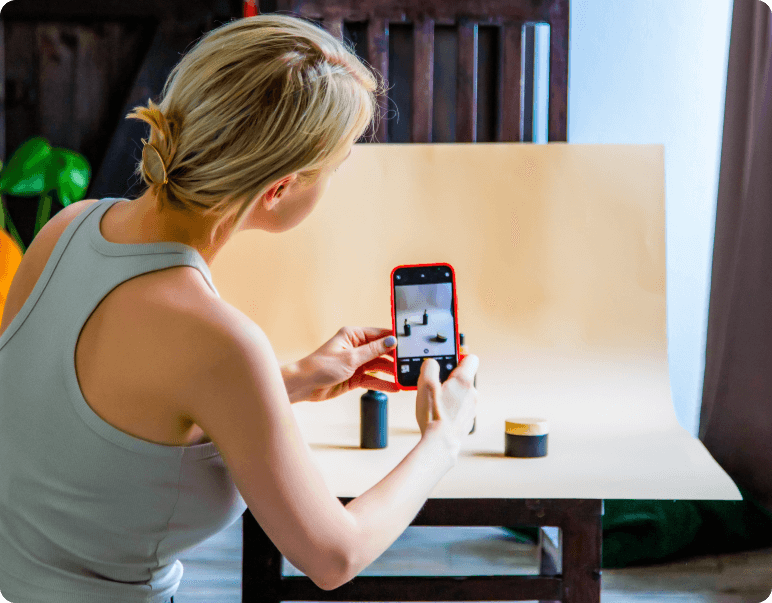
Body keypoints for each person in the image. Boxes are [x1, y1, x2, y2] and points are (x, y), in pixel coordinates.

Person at [0, 14, 479, 602]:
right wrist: (444, 436)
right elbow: (335, 555)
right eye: (337, 166)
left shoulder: (66, 229)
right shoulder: (220, 341)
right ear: (278, 189)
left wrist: (294, 380)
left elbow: (92, 430)